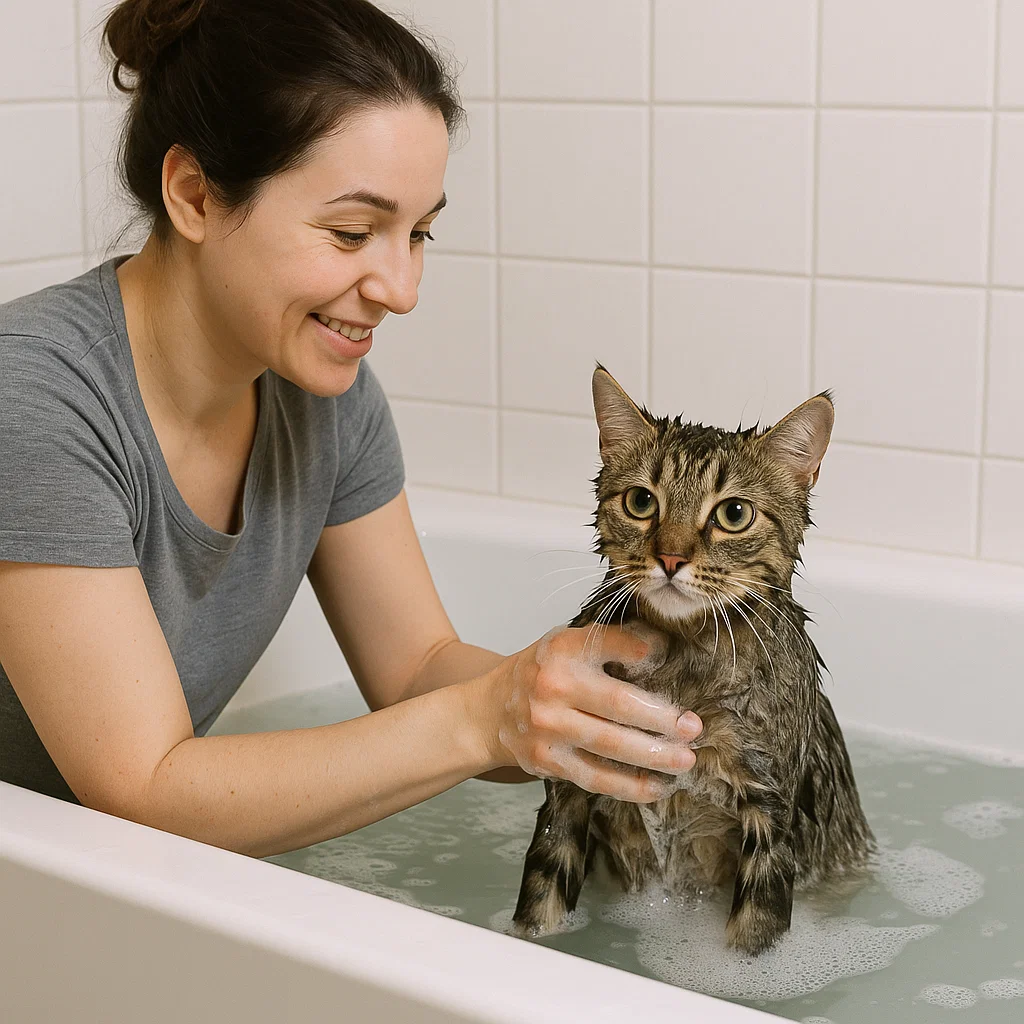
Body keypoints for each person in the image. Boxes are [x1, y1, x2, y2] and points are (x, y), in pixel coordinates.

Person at [0, 0, 701, 858]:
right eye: (353, 232)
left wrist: (612, 696)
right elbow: (142, 789)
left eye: (419, 233)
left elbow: (417, 668)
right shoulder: (32, 392)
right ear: (193, 195)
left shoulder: (324, 396)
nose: (401, 288)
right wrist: (488, 719)